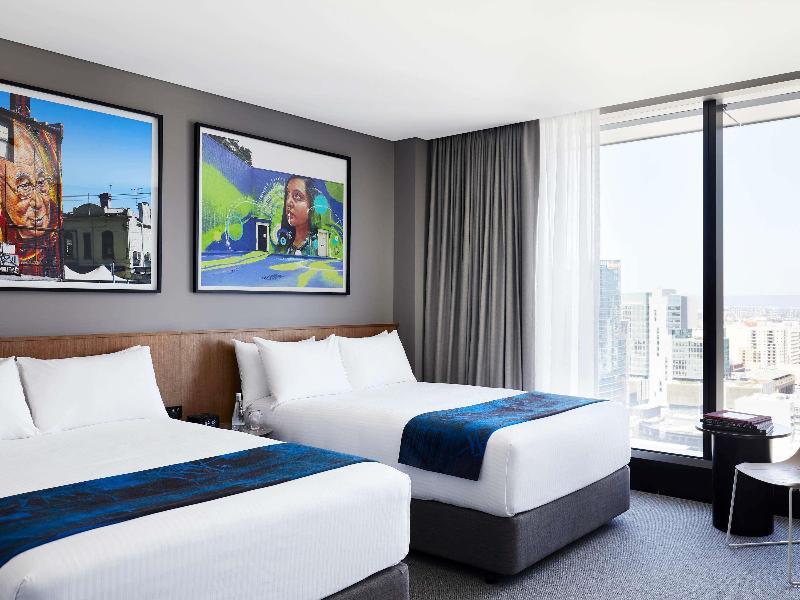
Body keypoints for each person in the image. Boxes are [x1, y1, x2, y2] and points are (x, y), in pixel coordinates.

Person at [276, 175, 318, 256]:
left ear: (312, 203)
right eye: (287, 195)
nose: (288, 202)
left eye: (297, 196)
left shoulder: (318, 246)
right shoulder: (283, 246)